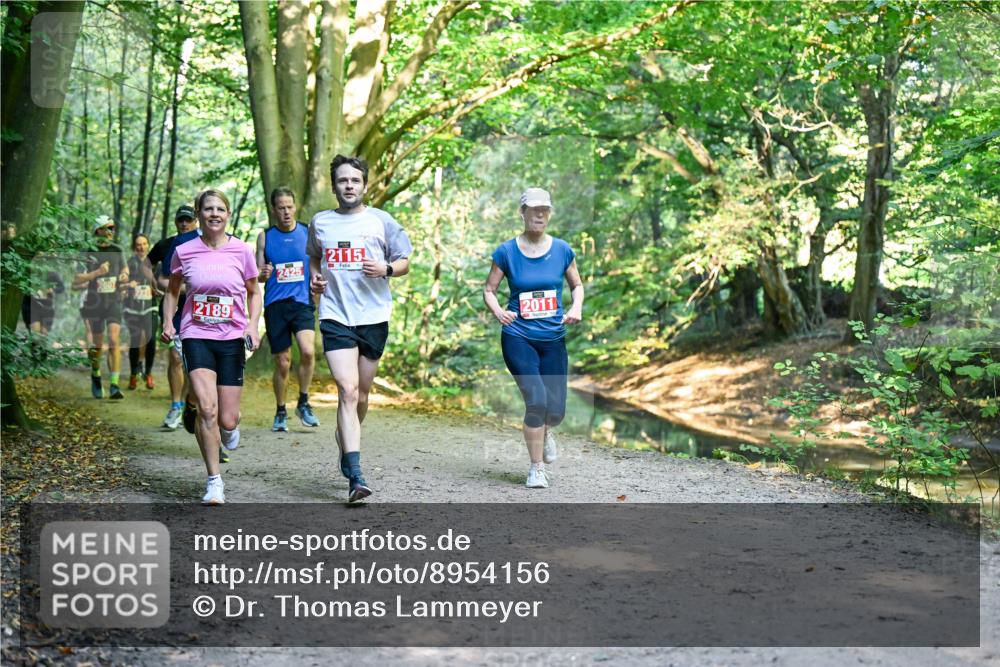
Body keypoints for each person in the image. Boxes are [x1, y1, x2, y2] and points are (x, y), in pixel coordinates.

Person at [307, 155, 412, 502]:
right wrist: (315, 278)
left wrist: (386, 270)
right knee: (347, 391)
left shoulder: (381, 221)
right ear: (334, 185)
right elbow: (314, 257)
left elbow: (404, 260)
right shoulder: (321, 222)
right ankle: (355, 474)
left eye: (354, 180)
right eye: (342, 181)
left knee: (362, 395)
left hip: (373, 316)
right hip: (335, 315)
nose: (348, 186)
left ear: (365, 185)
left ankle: (346, 441)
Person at [161, 189, 261, 505]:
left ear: (227, 214)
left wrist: (252, 325)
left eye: (220, 208)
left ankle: (229, 433)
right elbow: (173, 291)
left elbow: (254, 292)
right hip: (196, 334)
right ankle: (214, 481)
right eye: (208, 209)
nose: (214, 213)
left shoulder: (241, 251)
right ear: (199, 214)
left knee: (228, 419)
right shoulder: (185, 250)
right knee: (206, 408)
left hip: (231, 338)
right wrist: (168, 322)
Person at [483, 188, 584, 488]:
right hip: (518, 336)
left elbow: (577, 285)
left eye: (545, 209)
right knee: (536, 401)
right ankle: (536, 469)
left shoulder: (563, 250)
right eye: (534, 209)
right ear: (523, 212)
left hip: (553, 336)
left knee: (556, 410)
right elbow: (489, 290)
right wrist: (499, 311)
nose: (540, 214)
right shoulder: (506, 251)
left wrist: (576, 306)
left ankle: (547, 431)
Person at [256, 187, 320, 432]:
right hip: (276, 306)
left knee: (307, 351)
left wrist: (317, 283)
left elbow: (318, 264)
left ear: (295, 207)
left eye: (289, 207)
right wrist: (263, 273)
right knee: (282, 362)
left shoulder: (307, 232)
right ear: (274, 210)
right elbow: (257, 275)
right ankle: (281, 410)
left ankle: (303, 402)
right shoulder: (265, 236)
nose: (286, 212)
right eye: (281, 207)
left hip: (302, 302)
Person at [148, 206, 198, 429]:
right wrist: (153, 285)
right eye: (181, 220)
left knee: (193, 363)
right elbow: (158, 275)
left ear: (195, 221)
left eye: (188, 220)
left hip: (200, 312)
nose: (184, 224)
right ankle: (176, 405)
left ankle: (190, 402)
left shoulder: (209, 242)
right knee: (176, 358)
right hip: (175, 308)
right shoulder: (168, 244)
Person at [73, 216, 129, 400]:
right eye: (108, 228)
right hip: (94, 302)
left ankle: (114, 384)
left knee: (114, 339)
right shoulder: (88, 251)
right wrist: (97, 272)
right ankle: (96, 374)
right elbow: (76, 280)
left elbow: (125, 270)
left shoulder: (117, 250)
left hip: (113, 302)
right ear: (98, 230)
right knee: (97, 345)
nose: (112, 231)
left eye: (113, 228)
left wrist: (123, 276)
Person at [123, 234, 159, 390]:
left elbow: (161, 286)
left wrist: (154, 286)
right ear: (134, 247)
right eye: (138, 244)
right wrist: (128, 285)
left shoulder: (155, 263)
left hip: (150, 307)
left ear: (148, 245)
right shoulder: (129, 263)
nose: (141, 247)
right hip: (132, 308)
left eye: (144, 244)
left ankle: (148, 373)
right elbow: (121, 285)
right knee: (136, 341)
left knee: (150, 340)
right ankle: (133, 374)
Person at [21, 265, 64, 335]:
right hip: (31, 306)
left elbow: (62, 287)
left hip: (47, 308)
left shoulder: (52, 273)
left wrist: (52, 290)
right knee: (36, 334)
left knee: (44, 333)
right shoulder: (28, 271)